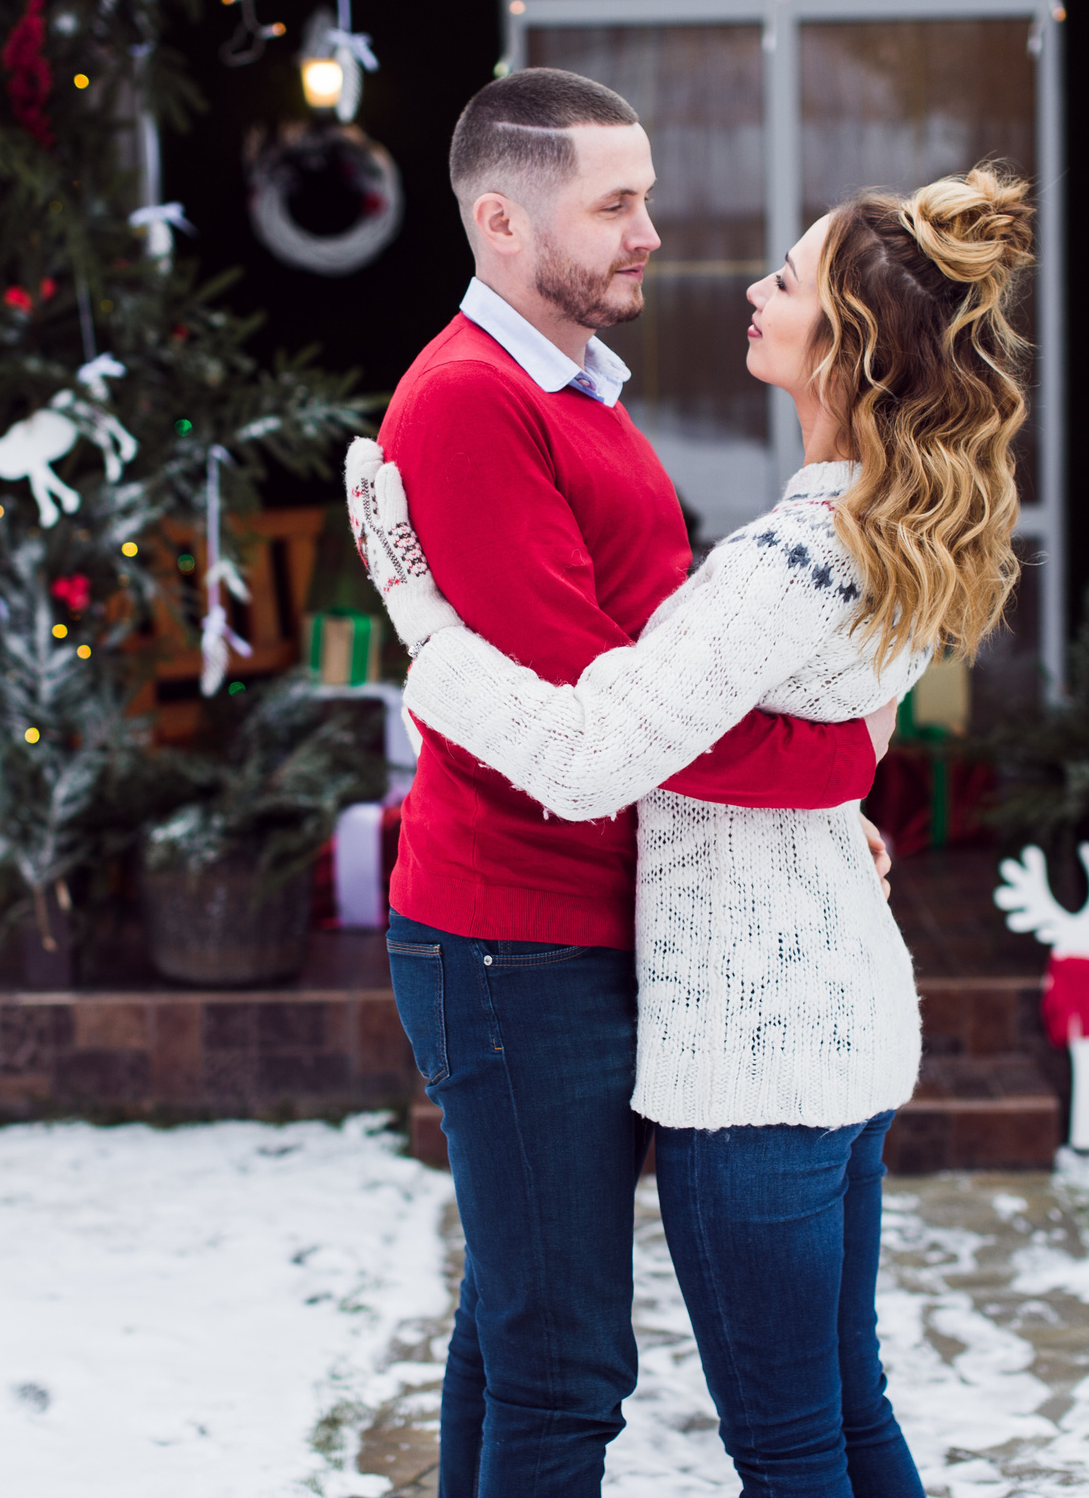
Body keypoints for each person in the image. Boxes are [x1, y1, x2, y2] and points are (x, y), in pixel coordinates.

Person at [349, 157, 1035, 1496]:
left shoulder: (787, 553)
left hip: (749, 1041)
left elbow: (599, 756)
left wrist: (419, 617)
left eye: (783, 277)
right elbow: (846, 730)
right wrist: (825, 768)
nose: (742, 283)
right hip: (838, 1010)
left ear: (839, 341)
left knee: (790, 1443)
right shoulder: (898, 526)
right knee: (844, 1408)